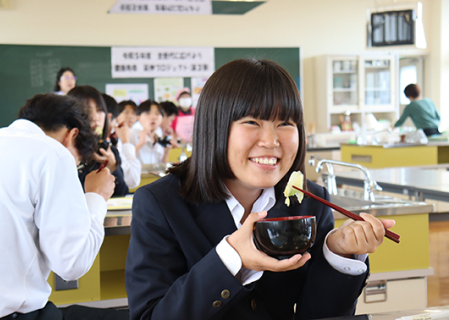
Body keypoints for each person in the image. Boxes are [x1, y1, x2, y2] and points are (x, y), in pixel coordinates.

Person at [125, 59, 396, 320]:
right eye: (252, 122)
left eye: (286, 123)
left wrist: (337, 254)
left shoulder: (308, 201)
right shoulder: (161, 203)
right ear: (215, 127)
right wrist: (232, 259)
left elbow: (320, 315)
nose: (271, 141)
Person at [0, 93, 117, 319]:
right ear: (71, 135)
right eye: (78, 162)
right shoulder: (54, 153)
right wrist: (96, 196)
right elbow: (71, 264)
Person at [68, 86, 129, 196]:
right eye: (87, 111)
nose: (95, 117)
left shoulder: (108, 150)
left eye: (99, 110)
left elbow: (121, 195)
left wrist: (113, 166)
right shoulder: (64, 152)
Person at [103, 93, 142, 190]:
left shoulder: (132, 133)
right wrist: (126, 141)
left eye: (133, 114)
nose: (130, 116)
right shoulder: (112, 138)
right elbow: (132, 179)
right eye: (126, 112)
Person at [130, 99, 171, 164]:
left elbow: (161, 165)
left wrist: (166, 152)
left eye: (157, 114)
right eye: (147, 113)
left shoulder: (159, 136)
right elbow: (125, 161)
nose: (153, 117)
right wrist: (141, 144)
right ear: (139, 117)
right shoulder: (132, 134)